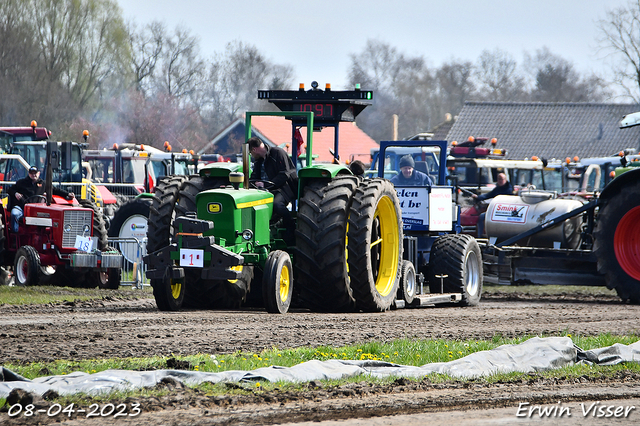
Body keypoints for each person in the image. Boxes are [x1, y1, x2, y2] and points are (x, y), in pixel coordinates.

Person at [248, 137, 298, 243]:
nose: (251, 156)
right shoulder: (258, 161)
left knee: (277, 205)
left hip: (283, 188)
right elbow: (254, 176)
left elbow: (285, 173)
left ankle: (291, 228)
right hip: (264, 190)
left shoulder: (278, 153)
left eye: (250, 153)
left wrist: (268, 184)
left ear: (254, 150)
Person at [7, 166, 75, 232]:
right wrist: (15, 193)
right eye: (31, 173)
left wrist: (67, 194)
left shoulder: (43, 184)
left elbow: (55, 190)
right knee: (14, 214)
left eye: (35, 173)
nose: (33, 175)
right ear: (29, 174)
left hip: (37, 209)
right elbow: (9, 190)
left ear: (38, 173)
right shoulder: (21, 182)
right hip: (22, 207)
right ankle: (14, 235)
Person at [471, 172, 513, 237]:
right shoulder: (497, 189)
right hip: (496, 211)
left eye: (502, 179)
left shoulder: (509, 190)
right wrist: (478, 197)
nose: (500, 181)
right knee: (481, 216)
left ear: (505, 180)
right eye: (499, 179)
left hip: (505, 212)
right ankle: (480, 236)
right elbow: (488, 195)